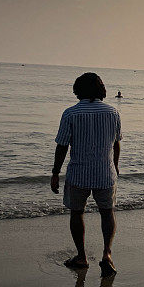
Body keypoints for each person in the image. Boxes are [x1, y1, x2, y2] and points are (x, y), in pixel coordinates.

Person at [51, 72, 121, 276]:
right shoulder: (113, 113)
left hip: (78, 172)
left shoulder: (71, 113)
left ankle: (81, 257)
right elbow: (116, 144)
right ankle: (107, 254)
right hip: (105, 173)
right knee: (107, 213)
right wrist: (115, 167)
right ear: (101, 89)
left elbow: (62, 146)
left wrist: (55, 172)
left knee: (77, 212)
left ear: (77, 90)